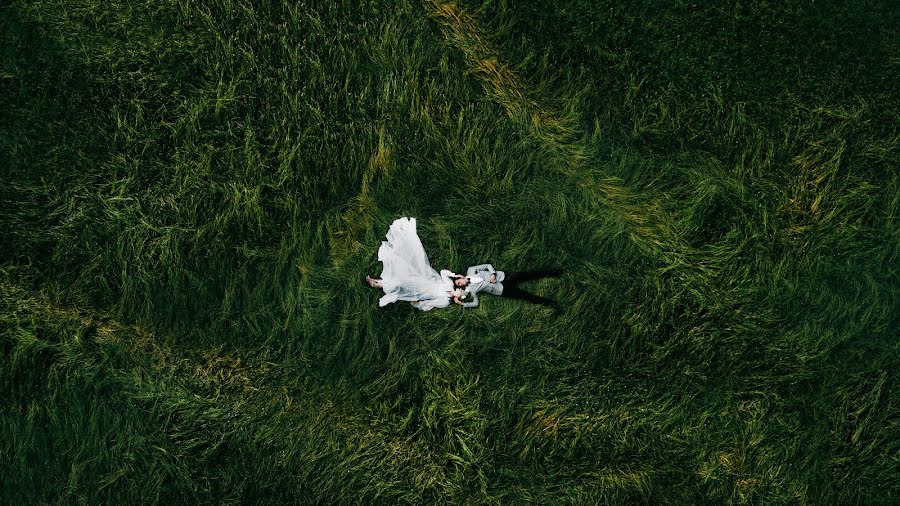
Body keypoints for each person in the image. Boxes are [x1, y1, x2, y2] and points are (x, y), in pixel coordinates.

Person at [365, 217, 467, 311]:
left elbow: (430, 303)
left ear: (457, 297)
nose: (459, 289)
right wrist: (454, 275)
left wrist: (417, 304)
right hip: (423, 279)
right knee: (402, 278)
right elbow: (443, 272)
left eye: (461, 291)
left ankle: (377, 284)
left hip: (421, 292)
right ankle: (377, 282)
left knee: (401, 286)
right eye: (461, 289)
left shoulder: (445, 301)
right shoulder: (449, 285)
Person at [457, 263, 561, 309]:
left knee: (529, 274)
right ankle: (551, 304)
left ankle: (554, 272)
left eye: (458, 282)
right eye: (459, 286)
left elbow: (487, 265)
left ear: (460, 277)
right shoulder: (469, 290)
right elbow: (475, 303)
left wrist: (493, 274)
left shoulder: (471, 270)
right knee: (526, 296)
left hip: (503, 276)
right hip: (502, 290)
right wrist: (462, 303)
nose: (460, 284)